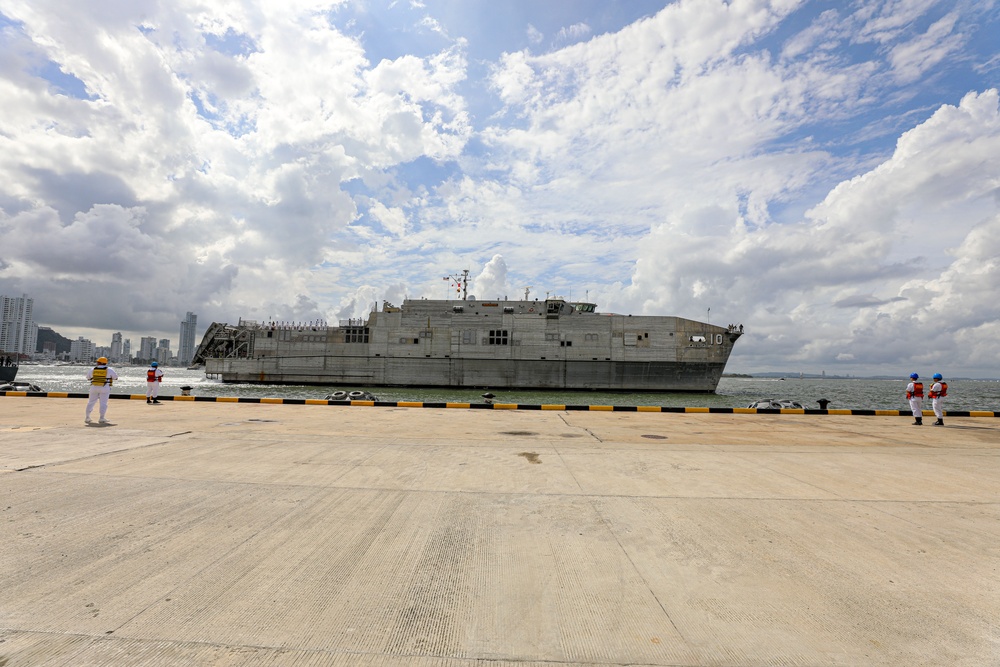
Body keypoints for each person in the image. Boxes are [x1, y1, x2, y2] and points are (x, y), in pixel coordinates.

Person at [85, 357, 118, 424]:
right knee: (103, 403)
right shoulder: (109, 370)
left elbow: (88, 378)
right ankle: (101, 418)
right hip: (104, 387)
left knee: (91, 402)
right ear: (105, 363)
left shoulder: (92, 369)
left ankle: (87, 417)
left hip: (94, 387)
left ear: (98, 362)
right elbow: (115, 377)